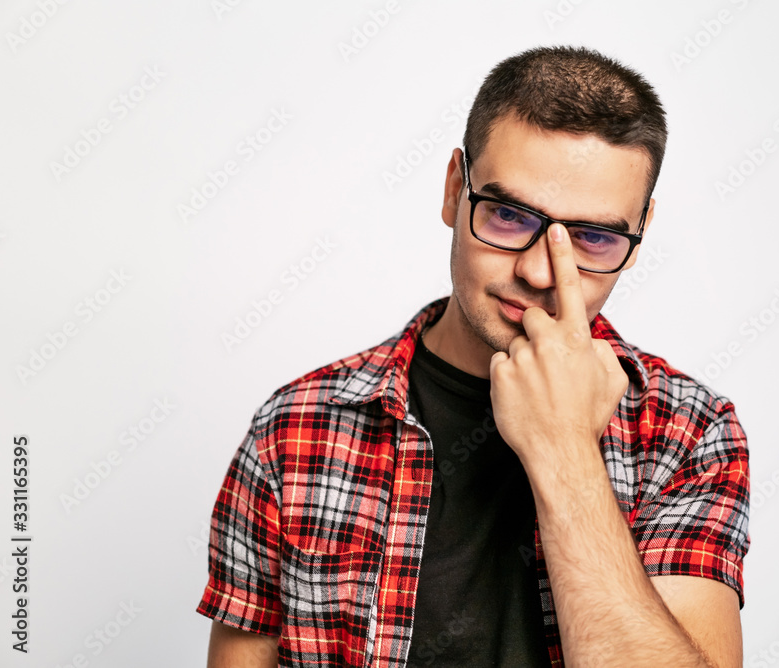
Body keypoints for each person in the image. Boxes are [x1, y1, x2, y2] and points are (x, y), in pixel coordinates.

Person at [197, 45, 750, 668]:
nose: (543, 271)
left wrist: (564, 450)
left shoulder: (686, 432)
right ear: (454, 189)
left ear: (640, 231)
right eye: (510, 216)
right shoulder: (297, 429)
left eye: (594, 237)